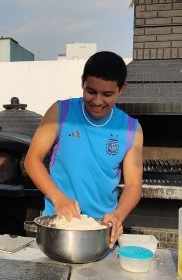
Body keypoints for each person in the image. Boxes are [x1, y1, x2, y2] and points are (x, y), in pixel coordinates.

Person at [24, 51, 143, 247]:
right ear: (82, 82)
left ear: (122, 89)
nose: (97, 101)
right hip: (58, 224)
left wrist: (117, 215)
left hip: (101, 229)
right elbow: (32, 160)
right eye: (91, 91)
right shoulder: (61, 112)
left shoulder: (132, 129)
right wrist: (59, 198)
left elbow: (133, 186)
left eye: (107, 94)